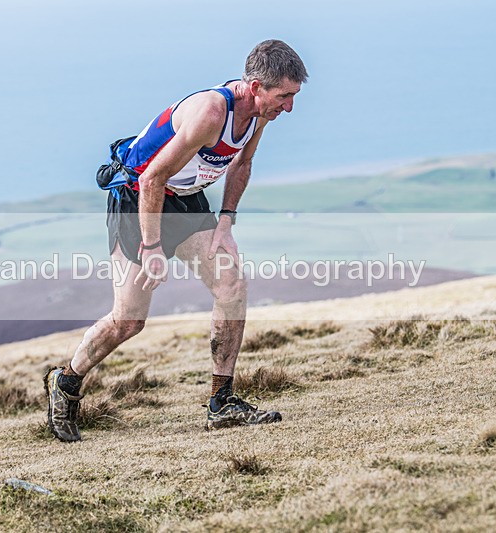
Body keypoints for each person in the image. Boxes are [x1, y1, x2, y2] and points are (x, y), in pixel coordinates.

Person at [44, 39, 308, 442]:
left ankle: (221, 402)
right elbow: (152, 178)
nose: (289, 107)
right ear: (256, 87)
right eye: (283, 96)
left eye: (293, 96)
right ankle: (65, 382)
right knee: (129, 320)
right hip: (139, 200)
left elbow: (242, 162)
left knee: (231, 285)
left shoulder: (260, 113)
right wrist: (152, 248)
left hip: (185, 199)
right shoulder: (210, 113)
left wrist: (226, 221)